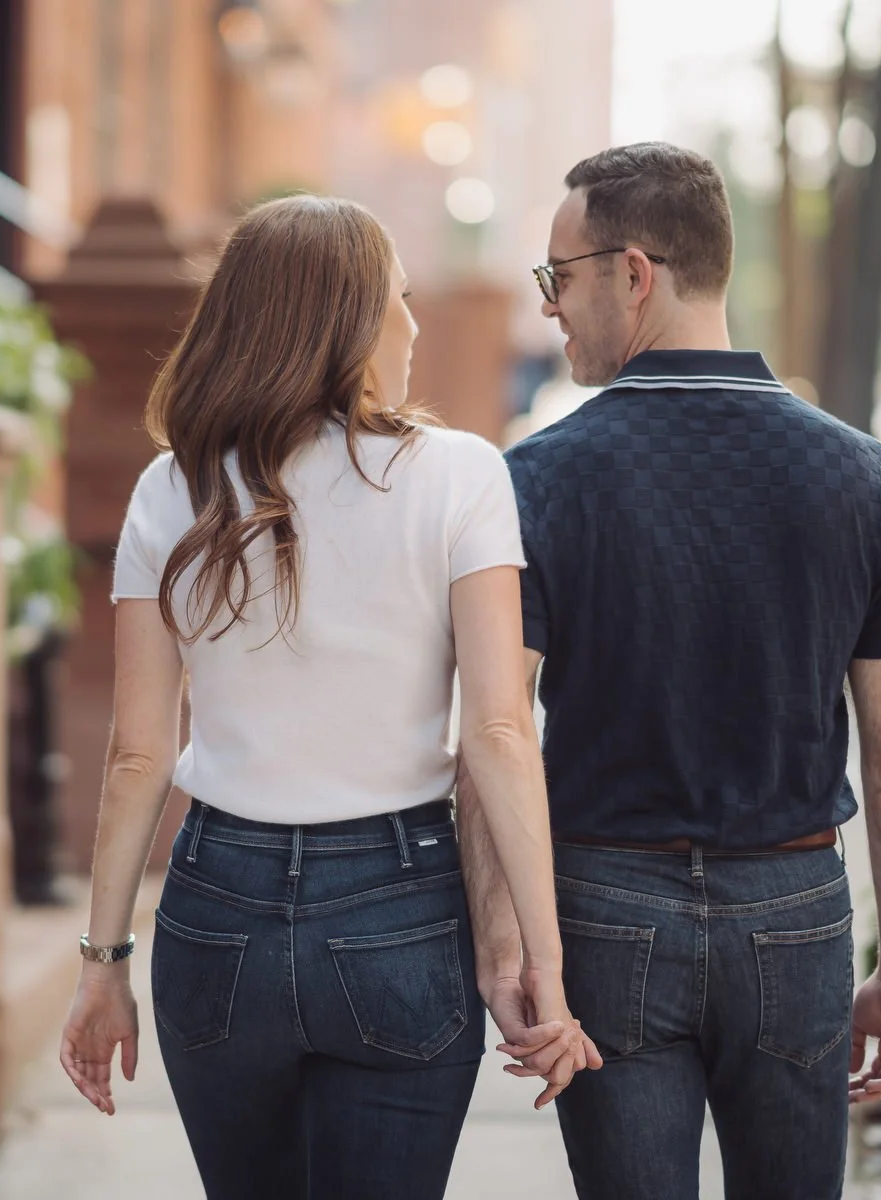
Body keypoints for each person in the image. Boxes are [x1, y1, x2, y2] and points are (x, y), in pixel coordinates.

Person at [56, 194, 599, 1200]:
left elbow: (139, 753)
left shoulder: (169, 490)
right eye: (397, 298)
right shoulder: (458, 477)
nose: (415, 323)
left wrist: (103, 965)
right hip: (398, 902)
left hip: (216, 907)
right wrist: (544, 962)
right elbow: (495, 729)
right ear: (347, 324)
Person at [460, 142, 881, 1198]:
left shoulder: (538, 479)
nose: (551, 308)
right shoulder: (857, 474)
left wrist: (507, 944)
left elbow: (494, 733)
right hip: (796, 910)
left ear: (633, 274)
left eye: (560, 277)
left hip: (603, 912)